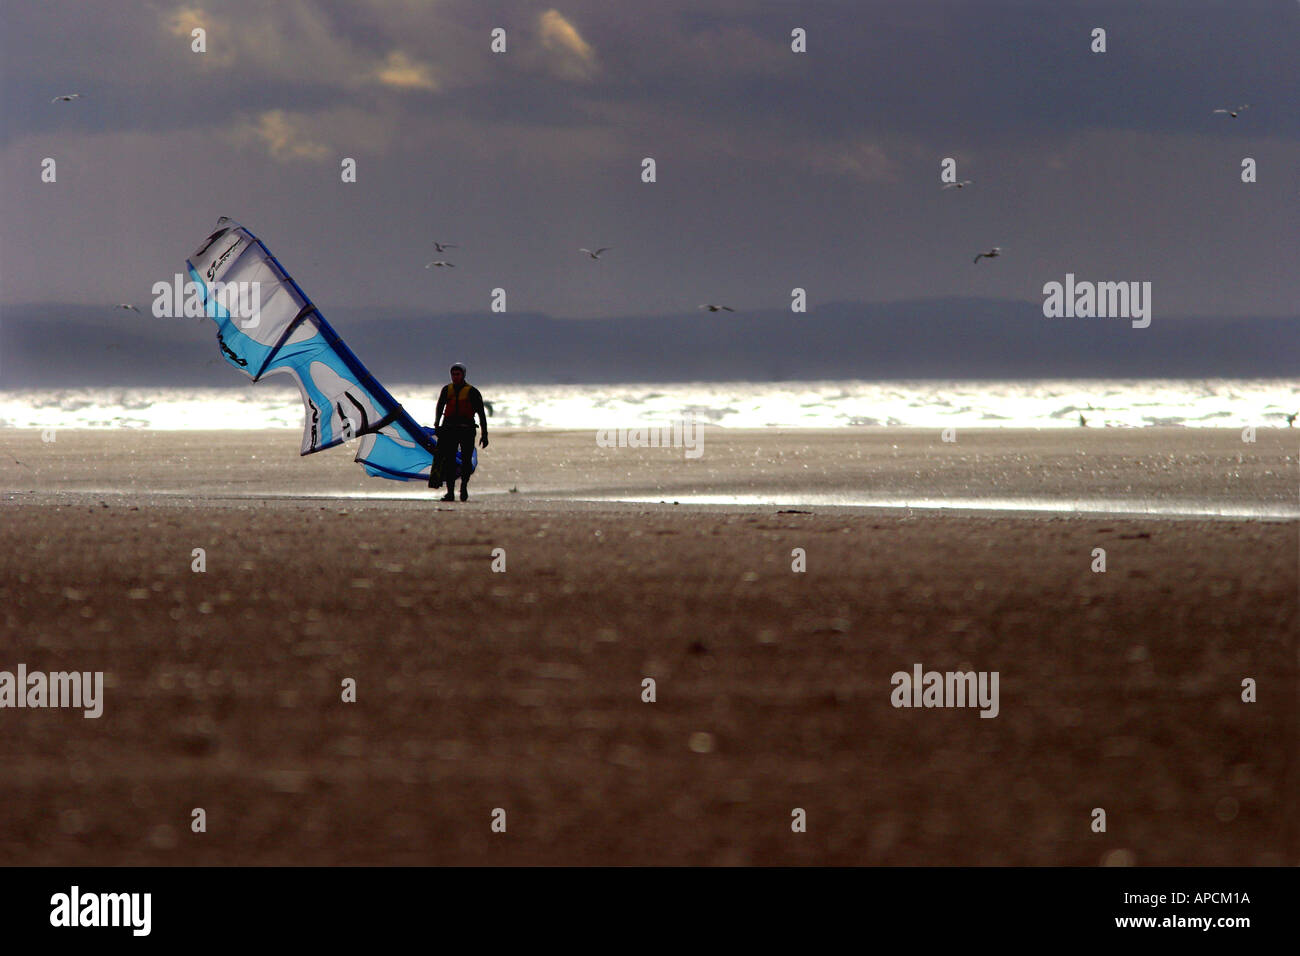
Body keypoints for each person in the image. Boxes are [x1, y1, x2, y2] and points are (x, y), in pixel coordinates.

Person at [432, 362, 488, 501]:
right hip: (449, 429)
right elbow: (439, 408)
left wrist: (484, 434)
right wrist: (437, 425)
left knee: (466, 460)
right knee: (449, 461)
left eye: (458, 374)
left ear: (463, 375)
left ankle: (463, 487)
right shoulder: (446, 390)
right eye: (453, 374)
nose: (455, 377)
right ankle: (450, 492)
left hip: (466, 430)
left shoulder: (472, 392)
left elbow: (481, 413)